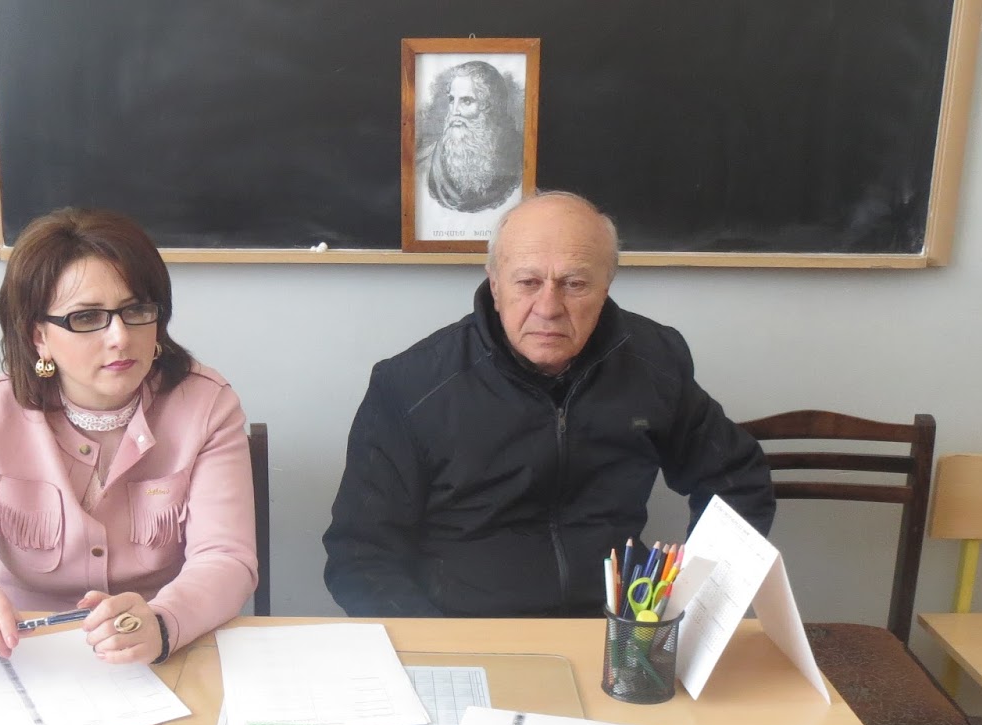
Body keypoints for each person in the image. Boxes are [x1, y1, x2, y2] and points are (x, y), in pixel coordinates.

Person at [323, 190, 774, 619]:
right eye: (528, 282)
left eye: (574, 284)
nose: (549, 307)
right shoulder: (411, 385)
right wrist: (437, 648)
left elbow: (736, 478)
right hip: (464, 627)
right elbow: (361, 554)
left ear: (606, 287)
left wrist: (695, 605)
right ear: (495, 285)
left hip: (614, 629)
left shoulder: (654, 361)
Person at [0, 208, 257, 664]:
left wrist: (162, 621)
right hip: (25, 657)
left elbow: (226, 559)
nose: (120, 337)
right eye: (86, 317)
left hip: (162, 652)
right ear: (38, 336)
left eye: (136, 310)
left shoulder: (206, 405)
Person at [421, 60, 524, 214]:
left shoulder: (520, 159)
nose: (454, 111)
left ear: (488, 107)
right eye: (452, 100)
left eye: (466, 101)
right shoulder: (425, 161)